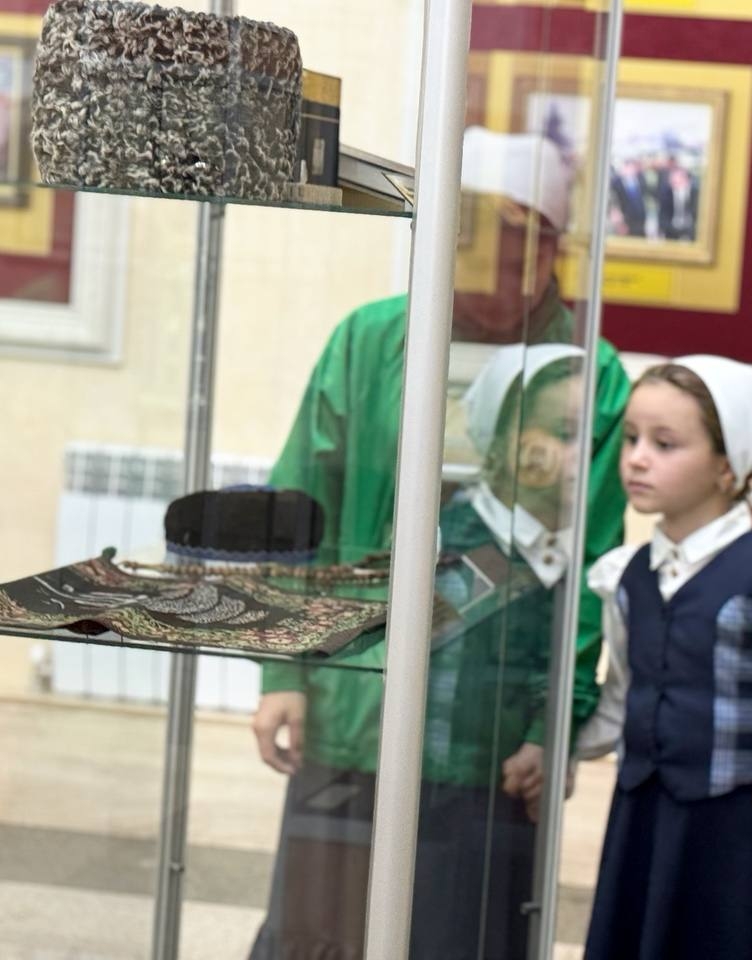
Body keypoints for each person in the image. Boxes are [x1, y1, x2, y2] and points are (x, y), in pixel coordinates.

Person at [248, 127, 631, 960]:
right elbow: (298, 514)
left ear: (550, 250)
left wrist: (552, 724)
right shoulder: (371, 341)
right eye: (466, 245)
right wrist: (283, 673)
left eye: (507, 250)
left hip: (491, 731)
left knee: (468, 937)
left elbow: (590, 574)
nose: (482, 271)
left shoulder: (592, 377)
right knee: (322, 932)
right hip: (356, 707)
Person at [576, 355, 752, 960]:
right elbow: (622, 695)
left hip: (732, 835)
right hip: (640, 817)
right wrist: (552, 747)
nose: (637, 458)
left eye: (665, 443)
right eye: (631, 438)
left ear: (727, 466)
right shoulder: (623, 576)